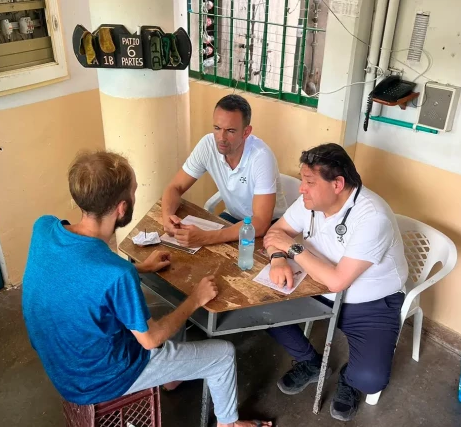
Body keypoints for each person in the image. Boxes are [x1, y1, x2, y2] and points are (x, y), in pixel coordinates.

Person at [22, 151, 270, 427]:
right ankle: (228, 424)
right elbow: (150, 340)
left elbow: (79, 272)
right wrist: (195, 299)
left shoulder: (43, 228)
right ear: (122, 208)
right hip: (101, 379)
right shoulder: (116, 274)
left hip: (61, 364)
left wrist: (142, 268)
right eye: (133, 192)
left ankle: (173, 376)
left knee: (166, 311)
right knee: (222, 353)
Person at [262, 143, 409, 422]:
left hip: (369, 302)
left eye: (309, 182)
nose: (301, 189)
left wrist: (292, 248)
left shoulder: (372, 217)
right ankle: (311, 362)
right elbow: (277, 231)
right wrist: (279, 259)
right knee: (260, 309)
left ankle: (350, 378)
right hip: (314, 285)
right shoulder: (312, 202)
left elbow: (338, 281)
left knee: (371, 379)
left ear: (337, 184)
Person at [162, 94, 287, 247]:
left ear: (246, 132)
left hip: (269, 228)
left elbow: (260, 222)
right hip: (233, 218)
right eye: (217, 128)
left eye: (230, 131)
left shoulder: (261, 157)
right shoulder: (207, 145)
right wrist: (167, 216)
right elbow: (175, 187)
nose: (221, 137)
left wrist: (206, 237)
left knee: (242, 266)